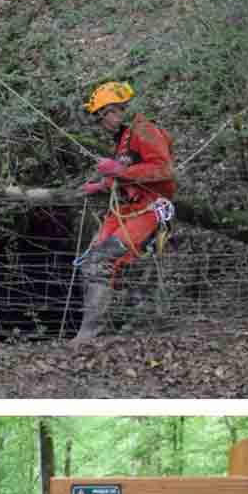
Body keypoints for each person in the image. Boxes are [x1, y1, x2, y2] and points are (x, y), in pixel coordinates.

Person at [74, 81, 176, 344]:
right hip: (128, 207)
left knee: (101, 261)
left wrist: (119, 171)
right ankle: (100, 330)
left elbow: (163, 171)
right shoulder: (124, 140)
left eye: (100, 117)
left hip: (151, 207)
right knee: (90, 263)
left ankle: (91, 336)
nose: (100, 124)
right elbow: (128, 176)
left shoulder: (145, 130)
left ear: (115, 110)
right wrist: (102, 185)